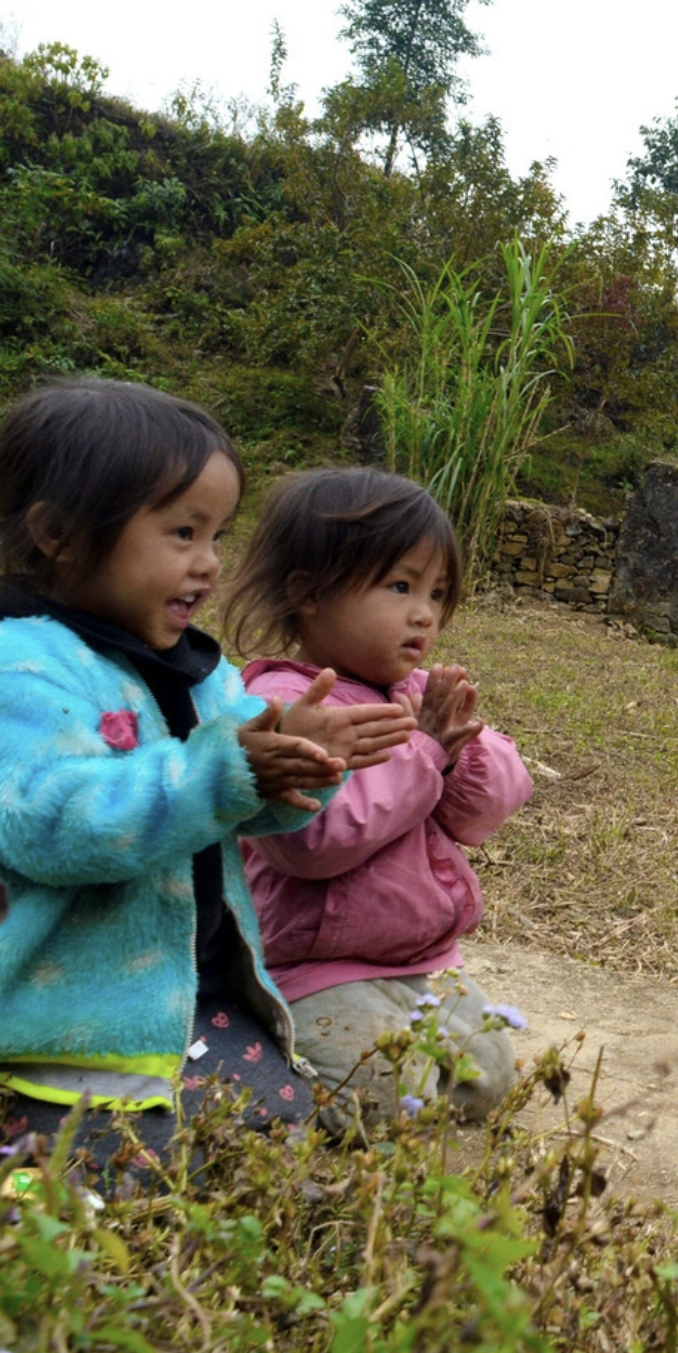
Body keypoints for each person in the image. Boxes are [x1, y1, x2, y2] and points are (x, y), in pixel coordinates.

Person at [0, 379, 415, 1169]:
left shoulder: (194, 669)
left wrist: (303, 761)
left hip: (169, 999)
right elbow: (58, 826)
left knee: (284, 1135)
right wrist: (229, 768)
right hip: (30, 1018)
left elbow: (248, 805)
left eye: (217, 536)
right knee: (125, 1184)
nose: (207, 565)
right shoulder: (7, 666)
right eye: (181, 533)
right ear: (60, 533)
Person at [222, 468, 533, 1128]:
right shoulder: (287, 703)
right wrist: (424, 756)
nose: (424, 613)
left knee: (491, 1078)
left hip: (418, 961)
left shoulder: (412, 694)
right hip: (314, 965)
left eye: (436, 593)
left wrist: (459, 751)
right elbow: (313, 842)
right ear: (308, 592)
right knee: (379, 1095)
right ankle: (253, 1050)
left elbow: (484, 816)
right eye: (399, 586)